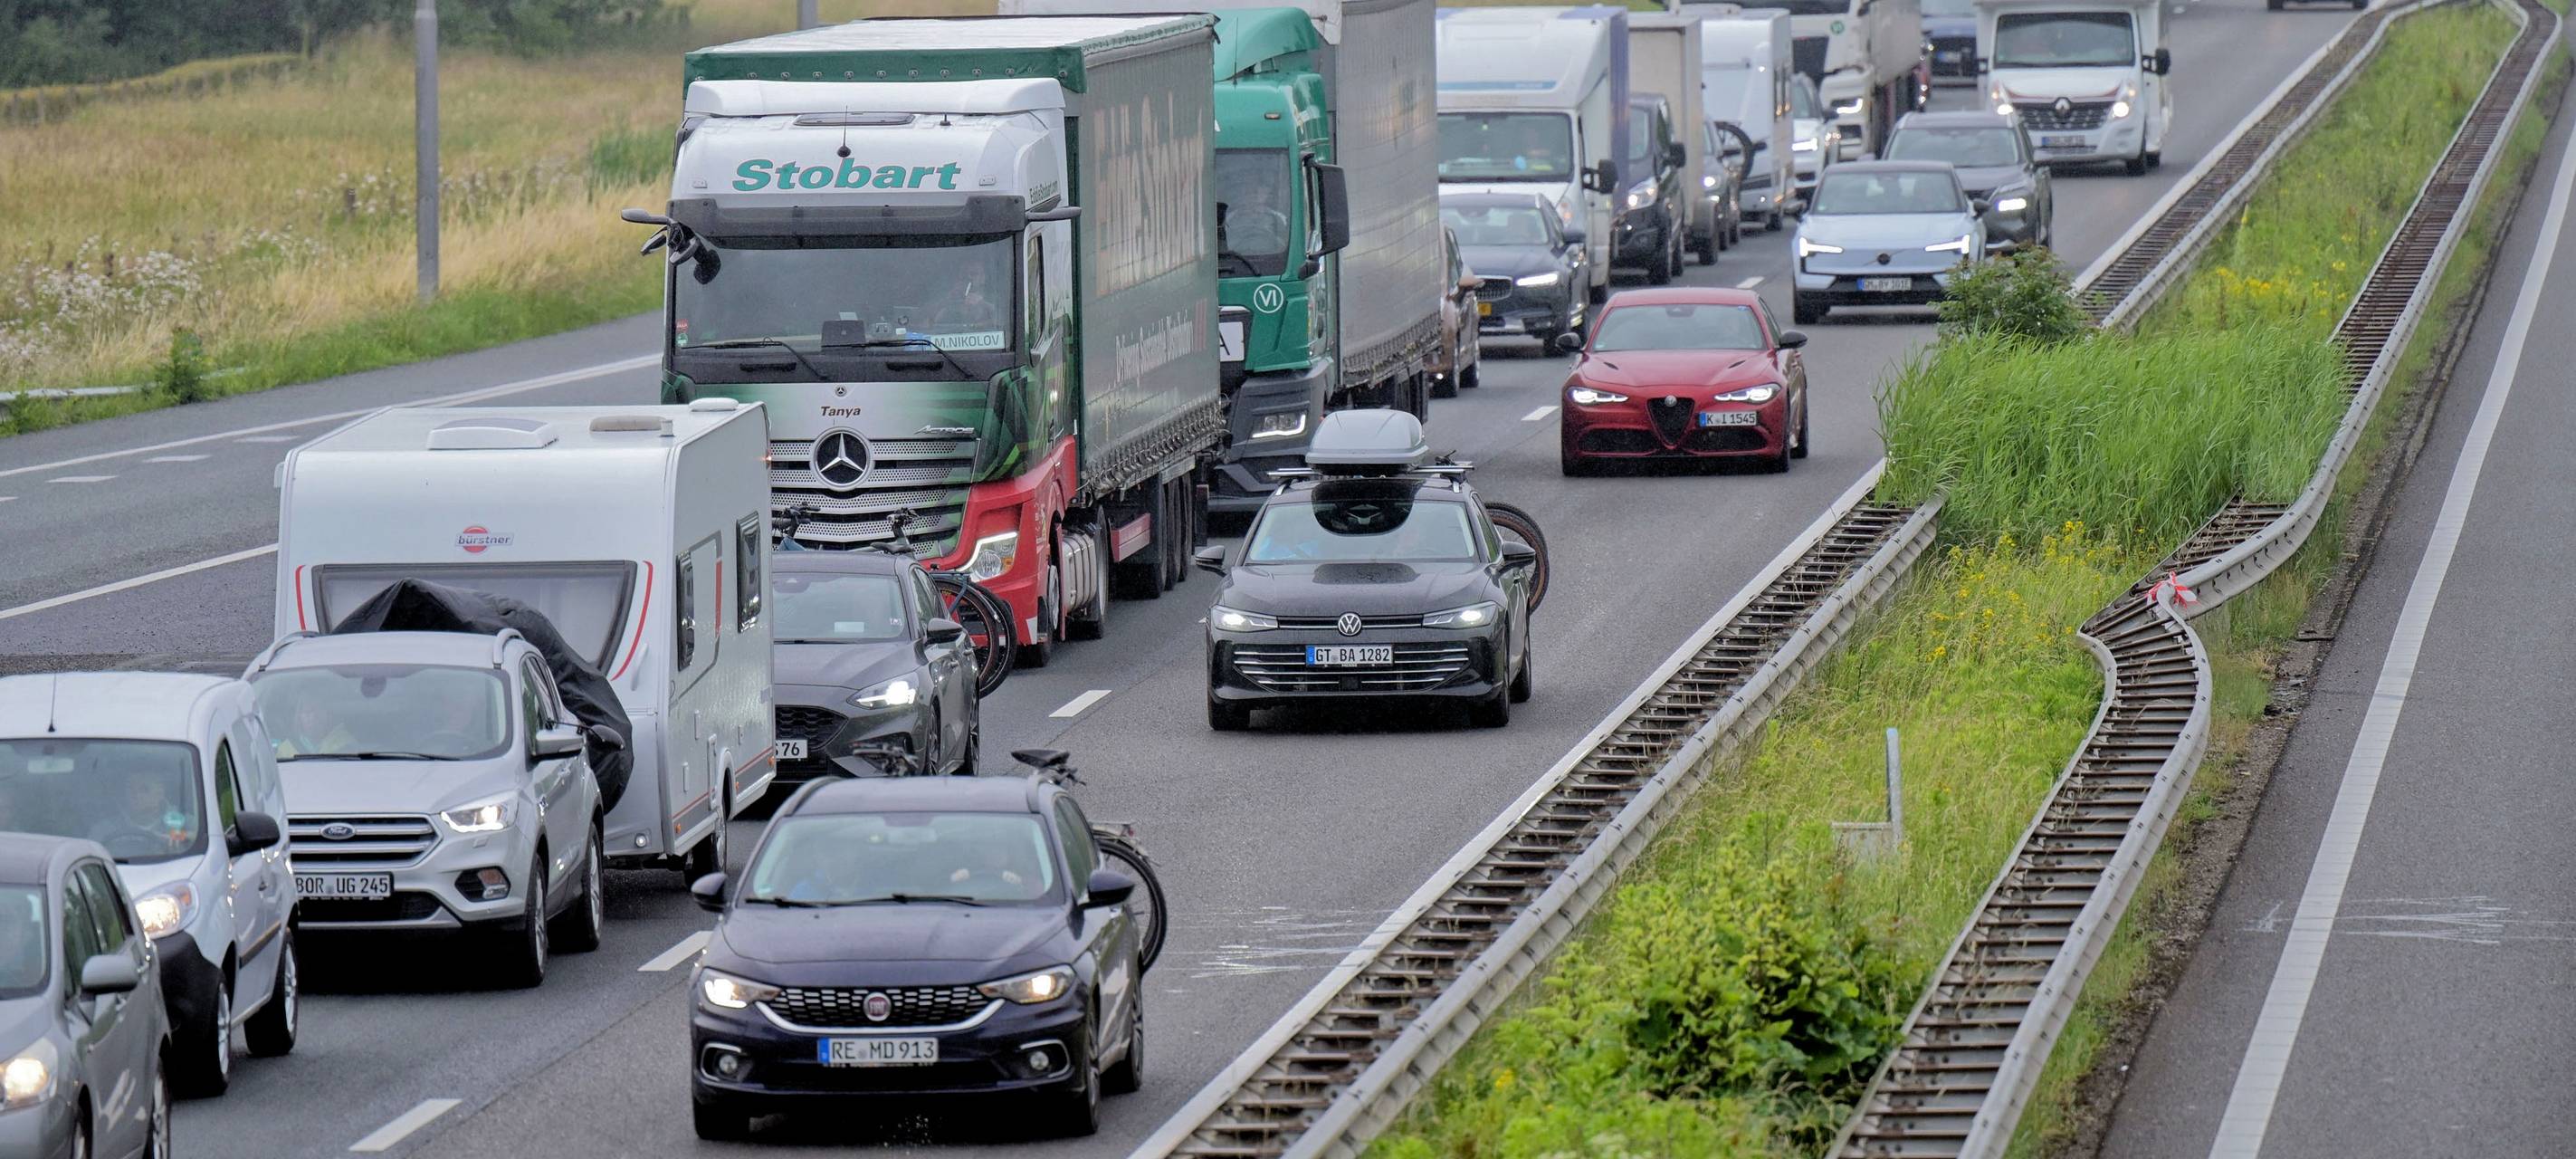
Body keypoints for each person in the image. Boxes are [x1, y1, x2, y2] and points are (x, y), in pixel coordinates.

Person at [91, 770, 190, 857]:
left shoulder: (179, 820)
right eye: (130, 789)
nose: (135, 795)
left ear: (160, 793)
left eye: (144, 789)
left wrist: (176, 836)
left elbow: (201, 836)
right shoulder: (106, 828)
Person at [274, 698, 356, 760]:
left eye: (318, 711)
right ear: (299, 717)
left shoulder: (346, 744)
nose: (313, 717)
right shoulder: (285, 750)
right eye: (307, 712)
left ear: (328, 715)